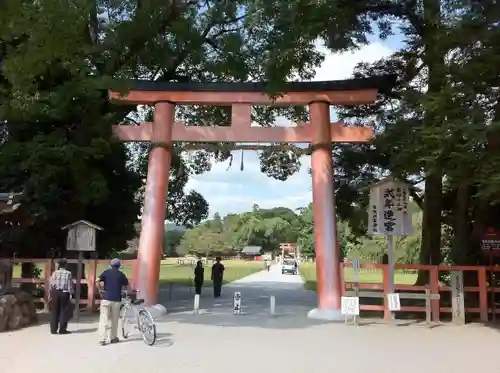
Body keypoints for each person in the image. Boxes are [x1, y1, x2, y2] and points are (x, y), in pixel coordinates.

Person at [96, 258, 130, 346]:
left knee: (104, 319)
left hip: (106, 298)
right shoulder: (121, 274)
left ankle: (102, 339)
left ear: (111, 265)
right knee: (114, 320)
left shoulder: (106, 272)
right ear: (119, 266)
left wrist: (100, 290)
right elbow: (127, 284)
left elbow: (97, 280)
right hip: (116, 299)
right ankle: (113, 337)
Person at [49, 259, 74, 335]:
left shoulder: (55, 273)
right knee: (64, 311)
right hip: (64, 293)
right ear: (66, 265)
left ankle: (53, 330)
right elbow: (70, 285)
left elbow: (52, 283)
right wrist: (71, 293)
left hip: (55, 292)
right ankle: (62, 330)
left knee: (54, 311)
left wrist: (50, 293)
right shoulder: (68, 273)